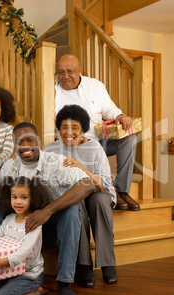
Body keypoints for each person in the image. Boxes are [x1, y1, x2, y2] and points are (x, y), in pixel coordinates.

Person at [0, 122, 99, 295]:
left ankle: (64, 281)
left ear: (38, 141)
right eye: (20, 142)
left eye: (29, 140)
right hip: (18, 228)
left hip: (49, 227)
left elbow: (88, 183)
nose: (25, 146)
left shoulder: (54, 161)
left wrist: (47, 210)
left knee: (71, 211)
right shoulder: (10, 166)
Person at [44, 104, 118, 288]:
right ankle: (84, 264)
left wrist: (80, 167)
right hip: (69, 198)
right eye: (65, 127)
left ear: (83, 129)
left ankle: (108, 262)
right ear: (58, 129)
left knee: (100, 201)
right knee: (74, 204)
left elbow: (104, 186)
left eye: (75, 127)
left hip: (96, 193)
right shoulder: (50, 149)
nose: (69, 132)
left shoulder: (94, 148)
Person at [55, 54, 139, 211]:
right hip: (74, 147)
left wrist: (119, 116)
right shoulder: (52, 91)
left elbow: (109, 109)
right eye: (61, 72)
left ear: (79, 71)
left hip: (100, 141)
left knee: (130, 139)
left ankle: (122, 190)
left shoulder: (95, 86)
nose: (65, 77)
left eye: (70, 71)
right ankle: (108, 191)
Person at [0, 176, 50, 295]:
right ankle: (13, 286)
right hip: (11, 272)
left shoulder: (34, 223)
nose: (18, 202)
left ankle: (36, 292)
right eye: (14, 197)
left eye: (24, 197)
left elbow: (23, 252)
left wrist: (2, 262)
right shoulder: (9, 219)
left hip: (29, 274)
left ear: (33, 198)